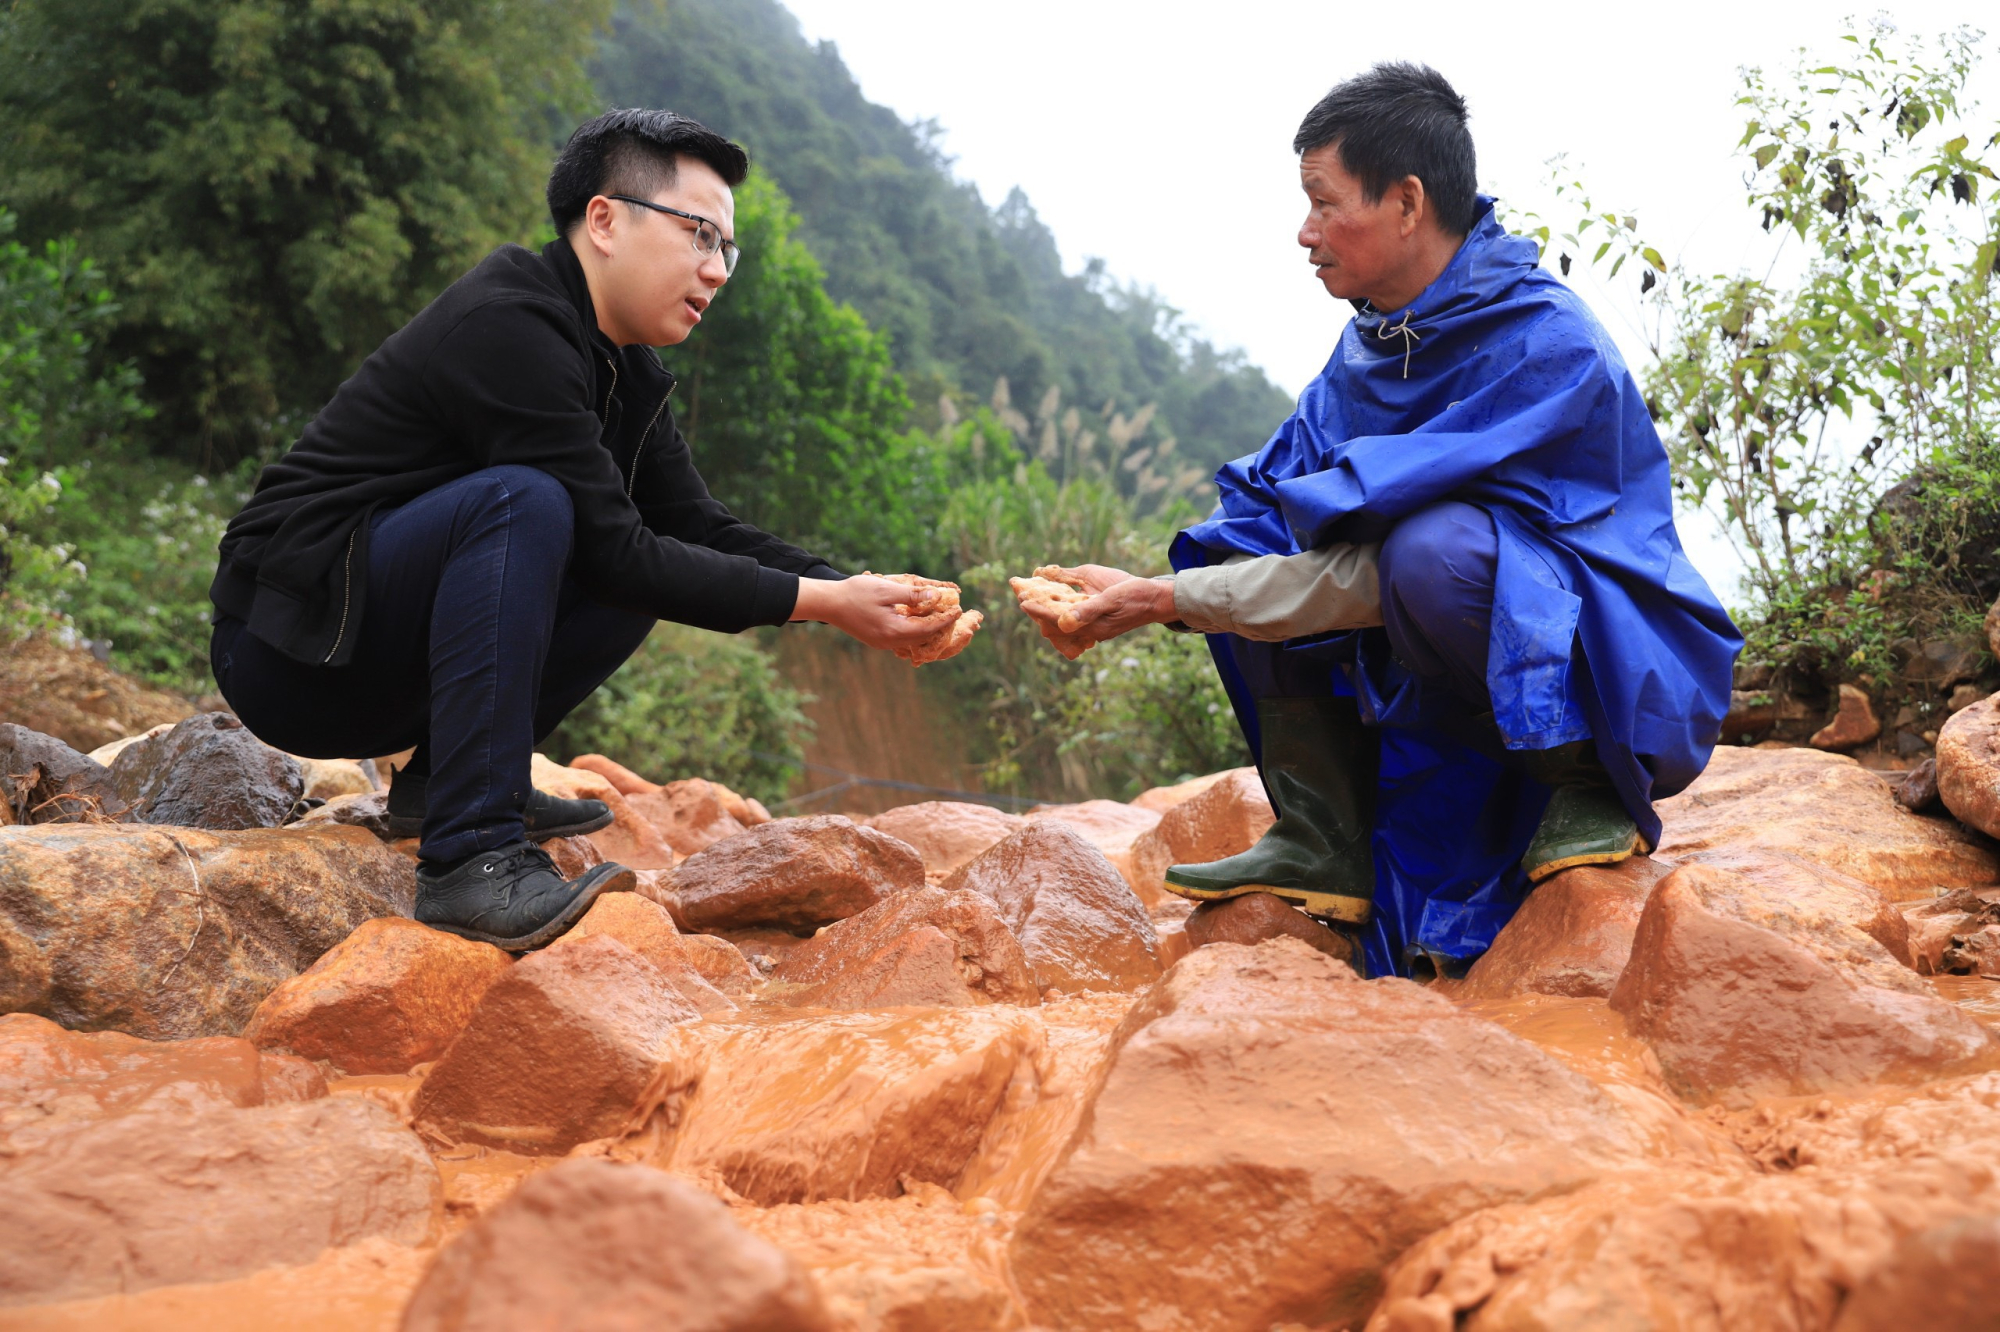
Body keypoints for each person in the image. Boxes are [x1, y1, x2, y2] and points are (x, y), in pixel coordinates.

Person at [1021, 64, 1739, 979]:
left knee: (1430, 554)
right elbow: (1283, 505)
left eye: (1324, 203)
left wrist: (1166, 602)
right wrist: (1152, 583)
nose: (1304, 233)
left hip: (1607, 673)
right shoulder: (1374, 346)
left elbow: (1393, 571)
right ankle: (1326, 836)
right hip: (1438, 646)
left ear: (1407, 202)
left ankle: (1585, 786)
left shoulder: (1543, 347)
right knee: (1239, 537)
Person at [208, 109, 952, 951]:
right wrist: (824, 602)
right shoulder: (509, 322)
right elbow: (613, 551)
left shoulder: (622, 364)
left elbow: (695, 527)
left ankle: (445, 787)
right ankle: (470, 862)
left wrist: (856, 591)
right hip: (287, 651)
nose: (717, 271)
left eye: (726, 250)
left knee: (641, 551)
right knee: (527, 505)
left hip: (369, 654)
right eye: (700, 235)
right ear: (604, 220)